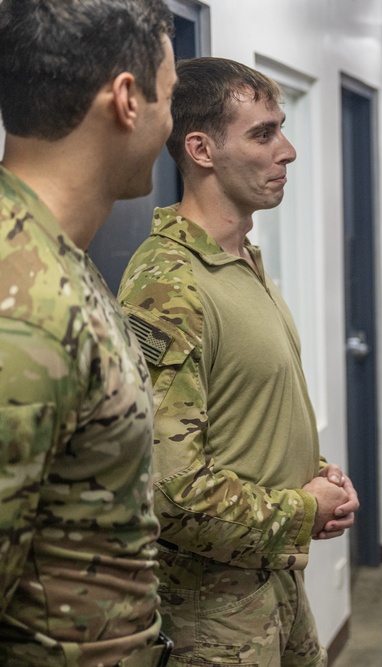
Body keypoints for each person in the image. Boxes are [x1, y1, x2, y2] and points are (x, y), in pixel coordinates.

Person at [118, 57, 359, 666]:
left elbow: (242, 415)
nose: (288, 151)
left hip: (271, 579)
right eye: (263, 134)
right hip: (213, 615)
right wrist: (303, 510)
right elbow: (171, 492)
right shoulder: (167, 283)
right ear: (200, 149)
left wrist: (317, 472)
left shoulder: (239, 260)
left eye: (280, 128)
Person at [0, 2, 176, 664]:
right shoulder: (22, 304)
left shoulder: (55, 259)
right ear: (128, 99)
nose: (171, 124)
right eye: (171, 98)